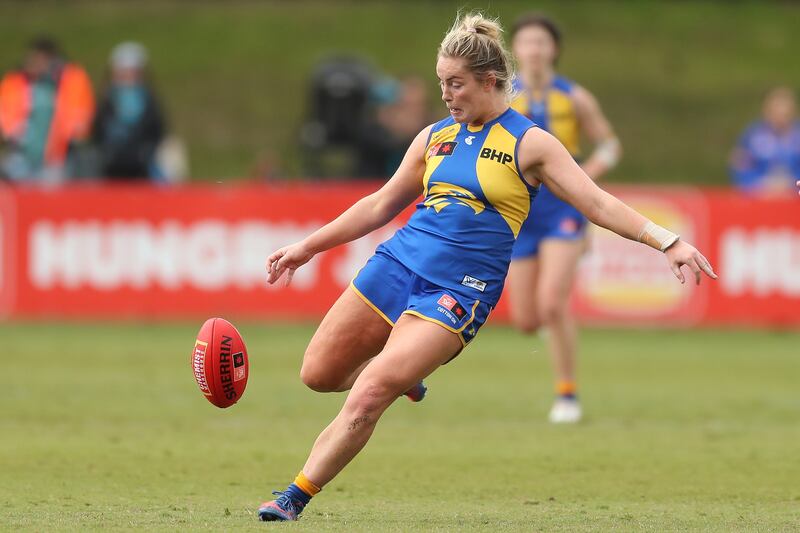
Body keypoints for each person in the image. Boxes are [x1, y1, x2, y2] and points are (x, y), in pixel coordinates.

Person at [257, 13, 715, 522]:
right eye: (441, 84)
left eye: (456, 84)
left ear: (490, 82)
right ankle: (404, 374)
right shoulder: (434, 137)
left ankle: (293, 496)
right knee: (318, 375)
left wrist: (667, 240)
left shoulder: (531, 143)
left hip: (458, 290)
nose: (447, 95)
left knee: (368, 396)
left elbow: (598, 204)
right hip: (395, 265)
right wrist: (307, 247)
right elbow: (379, 205)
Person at [505, 13, 623, 424]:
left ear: (553, 49)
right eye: (526, 42)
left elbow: (609, 145)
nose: (535, 50)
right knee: (525, 319)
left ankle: (567, 393)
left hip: (564, 210)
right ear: (515, 50)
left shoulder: (574, 97)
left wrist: (583, 178)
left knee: (553, 302)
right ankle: (549, 324)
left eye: (542, 42)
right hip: (520, 209)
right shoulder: (502, 96)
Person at [0, 37, 94, 182]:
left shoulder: (69, 81)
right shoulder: (14, 82)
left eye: (41, 60)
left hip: (57, 157)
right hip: (21, 154)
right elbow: (6, 117)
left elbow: (78, 120)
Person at [92, 42, 166, 181]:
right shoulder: (108, 99)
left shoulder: (147, 99)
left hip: (140, 165)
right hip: (112, 165)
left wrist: (146, 152)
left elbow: (157, 128)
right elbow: (98, 130)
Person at [729, 86, 800, 197]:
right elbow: (741, 167)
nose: (780, 117)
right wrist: (761, 186)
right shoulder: (752, 135)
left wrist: (791, 186)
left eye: (785, 113)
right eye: (776, 111)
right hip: (760, 199)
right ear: (767, 110)